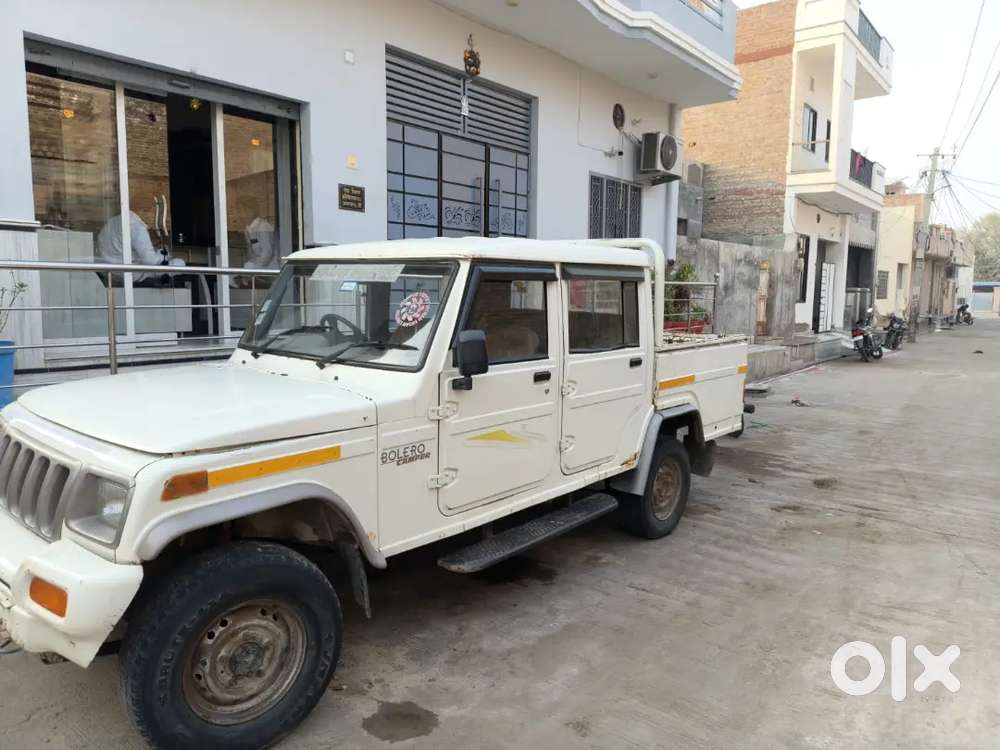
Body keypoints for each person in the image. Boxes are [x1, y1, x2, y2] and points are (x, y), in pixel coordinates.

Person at [97, 212, 183, 283]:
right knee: (180, 264)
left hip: (112, 269)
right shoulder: (138, 228)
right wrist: (165, 256)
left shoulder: (116, 220)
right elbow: (150, 260)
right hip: (130, 273)